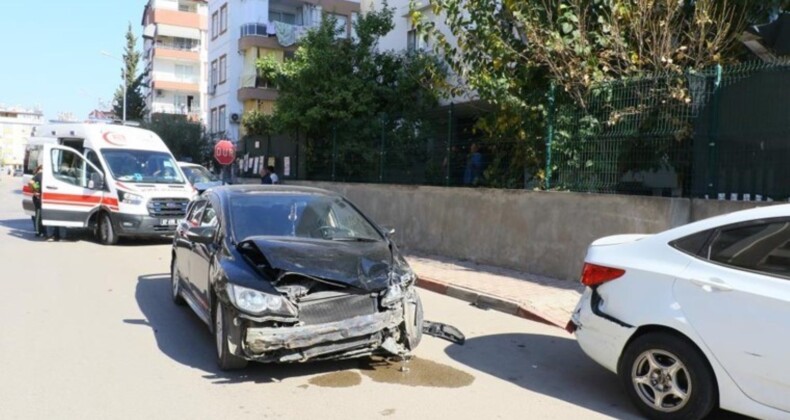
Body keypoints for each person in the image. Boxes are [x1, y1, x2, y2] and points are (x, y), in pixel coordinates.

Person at [29, 165, 44, 237]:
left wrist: (34, 191)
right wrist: (35, 191)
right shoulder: (39, 175)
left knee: (38, 214)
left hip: (38, 197)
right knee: (38, 214)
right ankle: (38, 231)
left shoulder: (38, 174)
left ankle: (39, 230)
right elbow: (30, 182)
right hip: (38, 198)